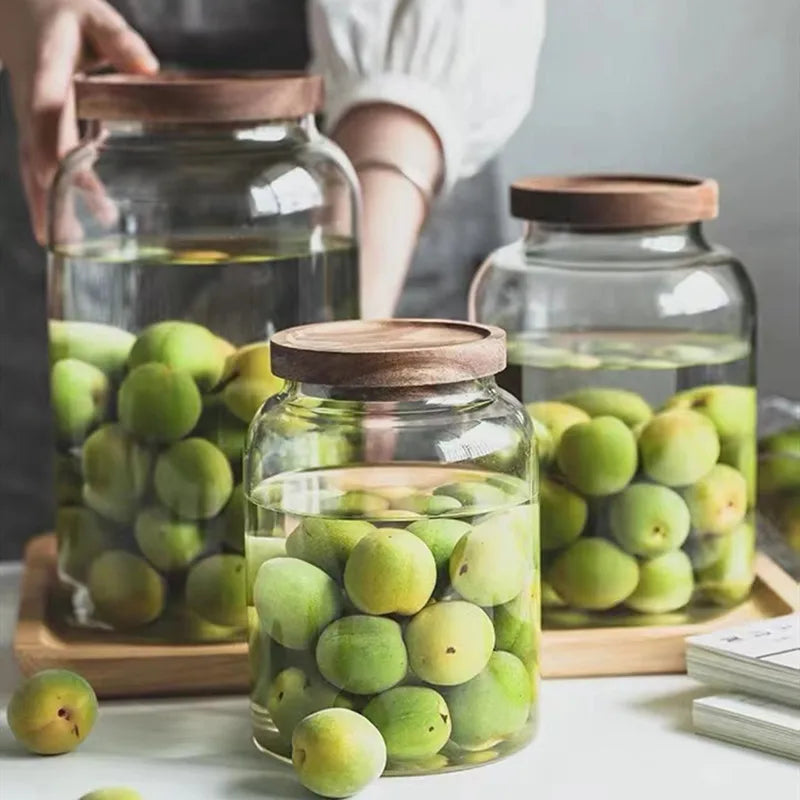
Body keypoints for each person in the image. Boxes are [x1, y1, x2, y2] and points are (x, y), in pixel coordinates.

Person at [0, 0, 546, 556]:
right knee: (78, 517)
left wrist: (351, 357)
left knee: (395, 523)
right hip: (82, 150)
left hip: (386, 174)